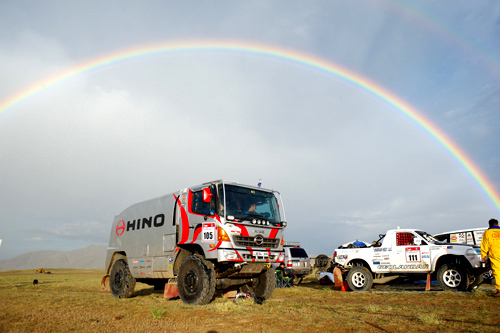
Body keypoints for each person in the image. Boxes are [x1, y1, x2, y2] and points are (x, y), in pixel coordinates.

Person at [481, 218, 500, 296]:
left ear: (489, 224)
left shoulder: (487, 232)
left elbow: (485, 244)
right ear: (497, 224)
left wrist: (484, 255)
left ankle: (499, 289)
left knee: (497, 271)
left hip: (494, 254)